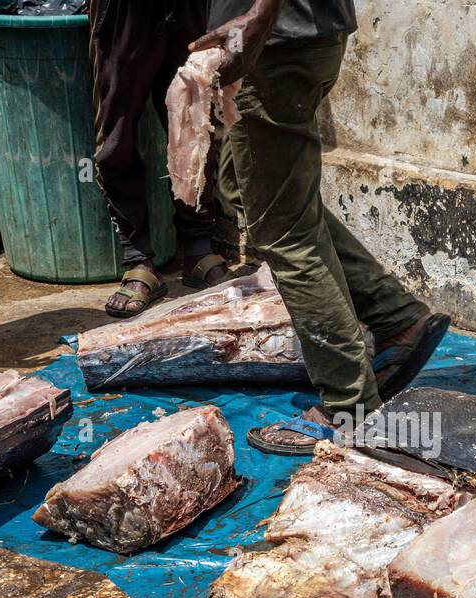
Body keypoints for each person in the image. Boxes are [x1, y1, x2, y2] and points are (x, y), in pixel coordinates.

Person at [190, 0, 449, 455]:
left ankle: (349, 407)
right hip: (284, 39)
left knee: (285, 232)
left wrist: (259, 17)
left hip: (274, 44)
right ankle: (395, 315)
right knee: (250, 191)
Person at [90, 0, 232, 318]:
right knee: (116, 138)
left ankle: (198, 250)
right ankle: (138, 260)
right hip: (121, 13)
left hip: (190, 10)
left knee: (195, 127)